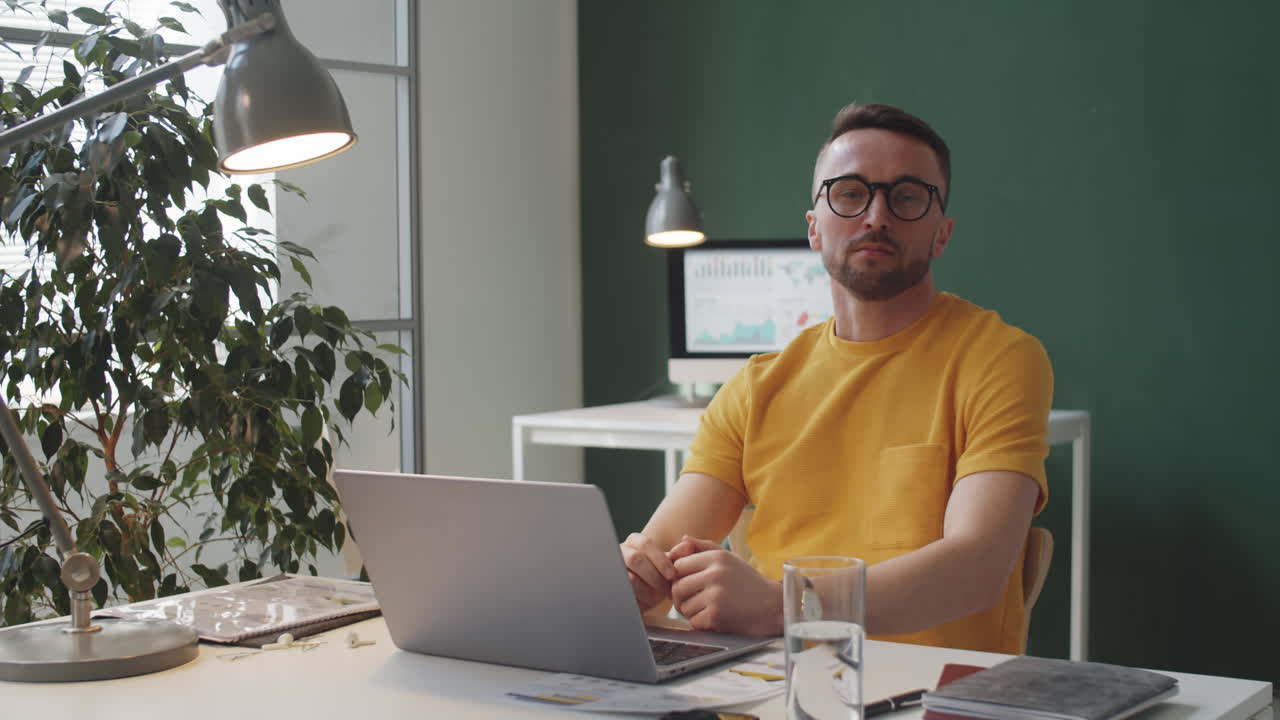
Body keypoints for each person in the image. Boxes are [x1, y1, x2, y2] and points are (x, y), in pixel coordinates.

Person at [620, 102, 1053, 654]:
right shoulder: (754, 389)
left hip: (931, 697)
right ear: (814, 228)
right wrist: (635, 577)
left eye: (907, 197)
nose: (876, 216)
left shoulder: (999, 358)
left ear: (941, 234)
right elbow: (656, 566)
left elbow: (977, 568)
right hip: (765, 693)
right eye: (849, 194)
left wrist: (785, 604)